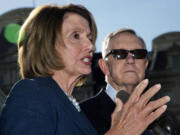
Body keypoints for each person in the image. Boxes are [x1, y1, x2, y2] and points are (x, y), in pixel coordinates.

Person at [0, 4, 169, 135]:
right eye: (76, 36)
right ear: (48, 45)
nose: (90, 45)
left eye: (89, 37)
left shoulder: (76, 111)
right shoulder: (31, 93)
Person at [80, 29, 172, 135]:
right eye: (119, 54)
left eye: (138, 54)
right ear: (104, 66)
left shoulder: (160, 121)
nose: (130, 60)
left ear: (145, 65)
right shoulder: (81, 114)